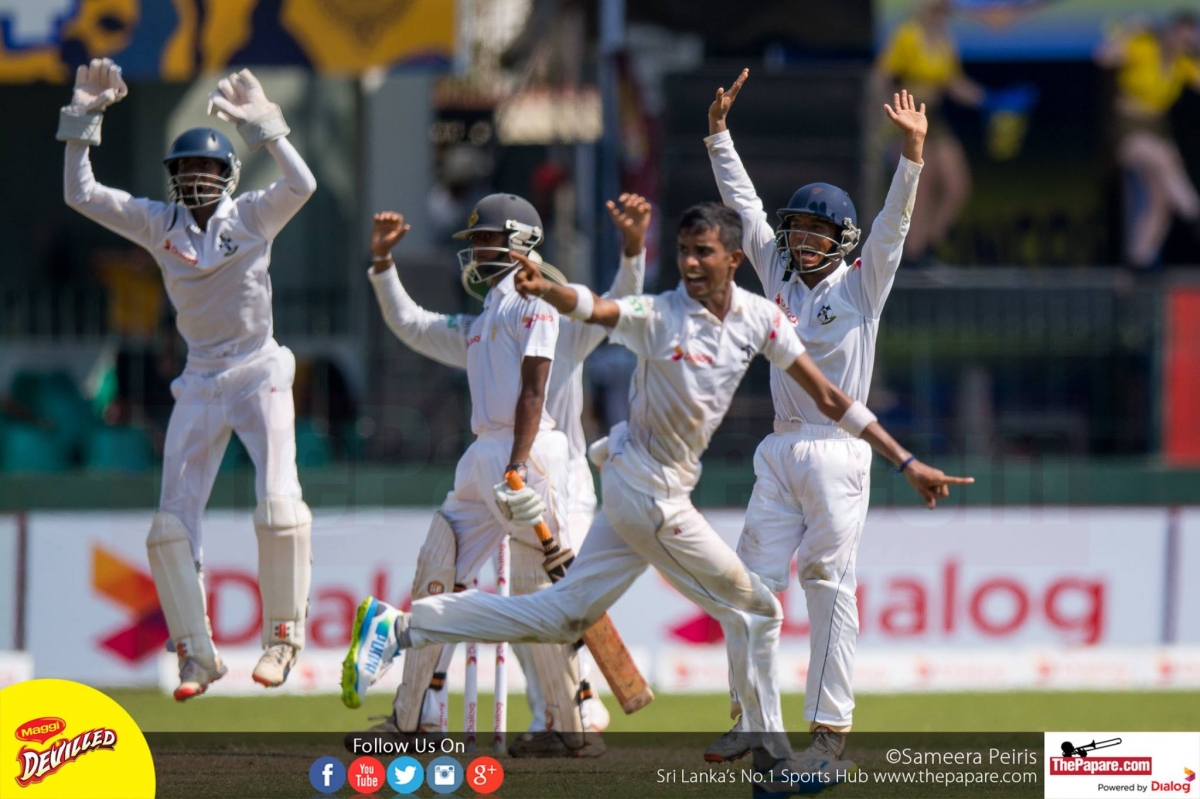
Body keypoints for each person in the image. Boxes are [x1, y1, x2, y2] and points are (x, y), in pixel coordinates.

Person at [341, 202, 972, 787]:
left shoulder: (760, 317)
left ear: (734, 258)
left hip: (638, 491)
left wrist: (905, 460)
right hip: (650, 496)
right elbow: (596, 308)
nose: (691, 263)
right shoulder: (659, 314)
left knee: (560, 615)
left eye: (704, 252)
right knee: (759, 609)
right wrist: (550, 290)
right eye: (684, 252)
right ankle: (773, 758)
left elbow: (831, 397)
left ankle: (402, 627)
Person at [352, 192, 647, 756]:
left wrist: (632, 249)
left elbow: (616, 304)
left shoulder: (555, 312)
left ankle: (571, 721)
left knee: (541, 599)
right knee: (437, 562)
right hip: (488, 455)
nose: (476, 250)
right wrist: (383, 264)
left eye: (487, 239)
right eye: (475, 241)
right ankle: (410, 721)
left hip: (544, 464)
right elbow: (412, 324)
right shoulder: (481, 321)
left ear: (522, 245)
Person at [60, 59, 317, 699]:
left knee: (279, 505)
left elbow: (303, 184)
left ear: (229, 175)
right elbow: (80, 194)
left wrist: (266, 125)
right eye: (185, 170)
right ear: (172, 178)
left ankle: (283, 639)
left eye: (206, 168)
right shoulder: (159, 224)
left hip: (259, 370)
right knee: (170, 527)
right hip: (200, 379)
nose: (195, 178)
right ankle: (195, 654)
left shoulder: (253, 215)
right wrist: (82, 119)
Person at [701, 68, 925, 772]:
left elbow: (893, 226)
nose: (801, 241)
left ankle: (828, 731)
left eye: (816, 231)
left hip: (839, 449)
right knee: (748, 586)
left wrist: (912, 155)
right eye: (797, 229)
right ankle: (752, 720)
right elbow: (745, 207)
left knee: (828, 587)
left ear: (842, 239)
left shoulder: (862, 284)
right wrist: (718, 134)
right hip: (779, 448)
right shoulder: (778, 275)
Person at [874, 0, 983, 265]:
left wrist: (989, 99)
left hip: (935, 118)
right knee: (920, 189)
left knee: (957, 186)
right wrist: (890, 114)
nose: (940, 14)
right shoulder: (908, 36)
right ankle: (914, 254)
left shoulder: (945, 41)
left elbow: (953, 83)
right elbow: (881, 77)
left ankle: (927, 246)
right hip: (910, 116)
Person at [1095, 12, 1200, 268]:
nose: (1183, 42)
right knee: (1165, 159)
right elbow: (1104, 57)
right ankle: (1193, 210)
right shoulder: (1144, 46)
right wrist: (1129, 30)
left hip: (1158, 128)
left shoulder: (1182, 63)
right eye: (1181, 35)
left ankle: (1139, 260)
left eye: (1189, 39)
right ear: (1170, 32)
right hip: (1128, 126)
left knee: (1160, 203)